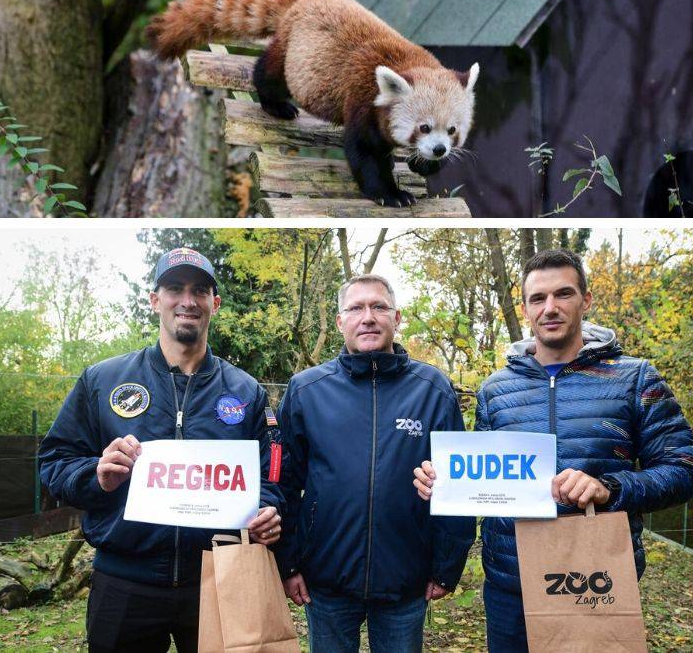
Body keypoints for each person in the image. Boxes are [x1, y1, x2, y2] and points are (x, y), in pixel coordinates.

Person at [414, 248, 693, 653]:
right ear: (526, 309)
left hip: (595, 579)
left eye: (563, 294)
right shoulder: (496, 390)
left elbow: (684, 470)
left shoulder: (634, 378)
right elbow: (483, 479)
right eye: (537, 298)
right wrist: (444, 482)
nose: (550, 308)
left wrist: (609, 489)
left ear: (585, 301)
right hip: (510, 583)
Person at [38, 247, 283, 653]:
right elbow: (53, 462)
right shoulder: (103, 380)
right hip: (124, 580)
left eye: (200, 290)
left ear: (214, 303)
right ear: (155, 300)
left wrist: (271, 509)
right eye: (174, 288)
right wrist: (96, 474)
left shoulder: (245, 391)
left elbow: (272, 472)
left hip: (218, 579)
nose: (187, 300)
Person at [273, 274, 471, 653]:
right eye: (356, 308)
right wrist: (288, 564)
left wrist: (447, 567)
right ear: (339, 321)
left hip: (405, 582)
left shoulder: (433, 389)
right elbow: (283, 484)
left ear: (396, 318)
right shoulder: (307, 390)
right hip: (326, 581)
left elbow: (457, 485)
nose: (368, 317)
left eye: (379, 307)